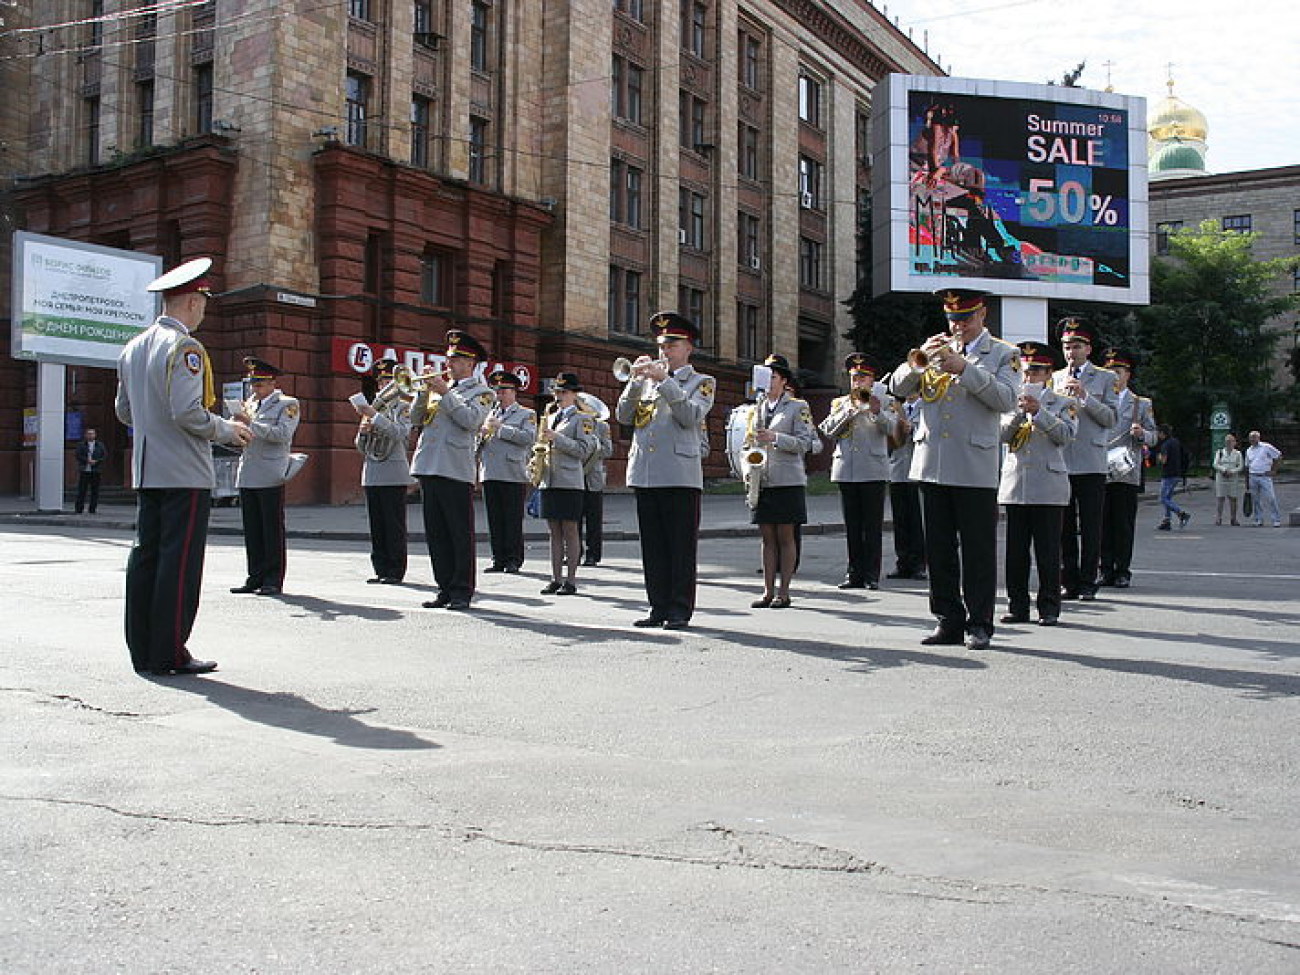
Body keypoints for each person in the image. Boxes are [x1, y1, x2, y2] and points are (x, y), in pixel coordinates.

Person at [115, 257, 252, 676]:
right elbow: (189, 414)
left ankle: (143, 650)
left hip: (148, 469)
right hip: (184, 472)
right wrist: (228, 430)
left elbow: (124, 411)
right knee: (179, 565)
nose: (204, 310)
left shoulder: (133, 347)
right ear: (193, 301)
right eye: (204, 302)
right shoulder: (186, 347)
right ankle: (171, 652)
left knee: (146, 558)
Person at [889, 289, 1018, 651]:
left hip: (975, 464)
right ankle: (948, 619)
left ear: (982, 315)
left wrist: (965, 369)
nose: (958, 326)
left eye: (965, 318)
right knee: (939, 548)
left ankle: (980, 623)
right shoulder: (933, 349)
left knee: (977, 549)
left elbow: (1006, 400)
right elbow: (897, 388)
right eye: (952, 319)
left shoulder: (1004, 354)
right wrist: (917, 362)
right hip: (932, 463)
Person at [616, 311, 716, 630]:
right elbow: (623, 416)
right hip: (646, 472)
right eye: (662, 345)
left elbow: (689, 417)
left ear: (689, 348)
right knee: (653, 546)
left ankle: (679, 608)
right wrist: (635, 381)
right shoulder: (646, 381)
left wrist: (665, 381)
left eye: (672, 344)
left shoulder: (702, 383)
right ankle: (657, 605)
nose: (665, 351)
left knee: (679, 546)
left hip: (679, 474)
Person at [410, 330, 496, 610]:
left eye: (456, 360)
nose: (449, 364)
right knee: (436, 533)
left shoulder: (482, 393)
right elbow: (415, 418)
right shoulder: (439, 388)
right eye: (448, 359)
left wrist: (445, 392)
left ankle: (462, 590)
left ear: (470, 363)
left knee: (459, 532)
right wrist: (423, 393)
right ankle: (444, 587)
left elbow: (471, 421)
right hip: (429, 465)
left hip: (455, 467)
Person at [998, 342, 1077, 627]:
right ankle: (1017, 607)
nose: (1029, 377)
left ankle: (1049, 607)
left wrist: (1040, 413)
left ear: (1048, 374)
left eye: (1036, 371)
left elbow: (1066, 436)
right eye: (1026, 371)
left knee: (1047, 553)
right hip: (1017, 485)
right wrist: (1021, 412)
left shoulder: (1063, 403)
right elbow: (1003, 436)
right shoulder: (1011, 402)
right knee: (1015, 554)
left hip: (1048, 486)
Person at [1051, 319, 1118, 601]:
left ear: (1088, 349)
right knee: (1064, 526)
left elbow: (1111, 418)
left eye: (1076, 346)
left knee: (1091, 525)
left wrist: (1085, 397)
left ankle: (1089, 580)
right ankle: (1070, 580)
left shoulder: (1105, 378)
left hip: (1091, 461)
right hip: (1062, 460)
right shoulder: (1054, 377)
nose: (1071, 352)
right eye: (1067, 346)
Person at [745, 354, 816, 608]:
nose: (768, 382)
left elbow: (806, 443)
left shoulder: (798, 407)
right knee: (767, 537)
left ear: (784, 380)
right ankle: (767, 590)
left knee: (785, 536)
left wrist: (776, 437)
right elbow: (748, 441)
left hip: (788, 479)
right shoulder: (757, 407)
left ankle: (784, 591)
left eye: (773, 377)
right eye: (765, 377)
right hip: (763, 478)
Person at [819, 353, 893, 591]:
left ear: (872, 380)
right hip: (846, 470)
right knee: (852, 526)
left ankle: (871, 574)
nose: (858, 382)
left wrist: (877, 412)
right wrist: (848, 412)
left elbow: (893, 429)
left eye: (863, 377)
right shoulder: (840, 403)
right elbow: (827, 430)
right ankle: (854, 574)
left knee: (871, 526)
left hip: (873, 469)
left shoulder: (885, 401)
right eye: (854, 377)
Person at [229, 357, 301, 597]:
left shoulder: (287, 404)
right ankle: (255, 576)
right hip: (248, 471)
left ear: (272, 383)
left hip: (270, 472)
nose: (254, 389)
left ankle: (273, 578)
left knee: (271, 529)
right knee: (252, 529)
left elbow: (282, 434)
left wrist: (250, 423)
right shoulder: (251, 403)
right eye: (252, 385)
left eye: (259, 385)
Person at [1097, 348, 1158, 588]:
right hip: (1101, 468)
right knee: (1102, 522)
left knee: (1123, 523)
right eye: (1109, 371)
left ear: (1127, 375)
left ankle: (1122, 570)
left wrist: (1142, 434)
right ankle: (1105, 569)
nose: (1114, 376)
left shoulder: (1140, 404)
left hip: (1126, 470)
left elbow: (1154, 436)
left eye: (1118, 371)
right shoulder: (1099, 401)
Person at [353, 357, 413, 584]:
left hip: (393, 472)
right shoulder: (374, 406)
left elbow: (400, 434)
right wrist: (365, 431)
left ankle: (395, 570)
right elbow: (360, 446)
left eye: (388, 380)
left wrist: (375, 418)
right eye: (381, 382)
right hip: (372, 472)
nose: (383, 386)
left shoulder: (404, 407)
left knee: (393, 524)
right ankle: (381, 568)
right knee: (377, 525)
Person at [536, 373, 597, 596]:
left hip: (570, 481)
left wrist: (557, 439)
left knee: (570, 530)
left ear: (574, 394)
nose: (559, 396)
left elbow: (584, 449)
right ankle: (555, 578)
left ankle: (570, 580)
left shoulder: (583, 419)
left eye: (563, 392)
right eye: (556, 392)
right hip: (550, 479)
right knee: (553, 531)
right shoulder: (551, 416)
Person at [478, 369, 536, 574]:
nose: (500, 395)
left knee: (511, 518)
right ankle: (498, 558)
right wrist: (481, 435)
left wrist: (501, 428)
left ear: (514, 392)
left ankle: (513, 559)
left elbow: (528, 438)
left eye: (504, 391)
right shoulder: (490, 413)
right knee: (494, 518)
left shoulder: (526, 414)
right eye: (498, 391)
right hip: (490, 471)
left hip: (512, 472)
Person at [886, 392, 927, 581]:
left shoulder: (926, 406)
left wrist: (914, 427)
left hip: (917, 470)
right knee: (900, 520)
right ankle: (902, 561)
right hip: (897, 470)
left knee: (917, 520)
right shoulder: (894, 408)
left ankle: (919, 563)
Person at [579, 398, 614, 567]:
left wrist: (593, 444)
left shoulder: (602, 426)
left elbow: (608, 450)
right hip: (575, 475)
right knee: (573, 517)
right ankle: (573, 552)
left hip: (593, 476)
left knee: (594, 518)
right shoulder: (576, 422)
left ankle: (593, 554)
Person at [1244, 430, 1284, 528]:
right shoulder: (1249, 450)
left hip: (1264, 476)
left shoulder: (1266, 447)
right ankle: (1258, 519)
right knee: (1256, 500)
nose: (1252, 439)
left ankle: (1276, 519)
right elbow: (1247, 466)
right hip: (1253, 476)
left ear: (1259, 438)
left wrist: (1274, 470)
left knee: (1271, 498)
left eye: (1254, 437)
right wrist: (1247, 481)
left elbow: (1278, 456)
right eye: (1251, 437)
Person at [1155, 424, 1191, 530]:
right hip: (1177, 473)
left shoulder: (1165, 445)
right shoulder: (1175, 442)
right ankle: (1167, 521)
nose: (1158, 435)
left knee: (1163, 498)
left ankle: (1181, 513)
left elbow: (1164, 460)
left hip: (1168, 474)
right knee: (1168, 498)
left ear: (1163, 433)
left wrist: (1159, 457)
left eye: (1159, 433)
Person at [1212, 433, 1245, 527]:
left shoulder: (1238, 453)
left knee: (1233, 498)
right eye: (1227, 441)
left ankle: (1233, 518)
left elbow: (1240, 466)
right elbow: (1215, 464)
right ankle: (1218, 518)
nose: (1229, 443)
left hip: (1233, 478)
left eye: (1231, 441)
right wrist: (1224, 470)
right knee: (1220, 498)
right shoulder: (1220, 452)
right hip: (1221, 477)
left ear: (1234, 442)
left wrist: (1232, 471)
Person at [74, 427, 108, 514]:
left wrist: (96, 461)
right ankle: (79, 508)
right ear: (85, 435)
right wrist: (86, 460)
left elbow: (104, 456)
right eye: (88, 434)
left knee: (95, 491)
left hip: (96, 471)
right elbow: (78, 455)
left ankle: (92, 509)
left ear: (95, 435)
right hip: (84, 470)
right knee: (82, 490)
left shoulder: (100, 445)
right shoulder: (81, 445)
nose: (90, 435)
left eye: (92, 434)